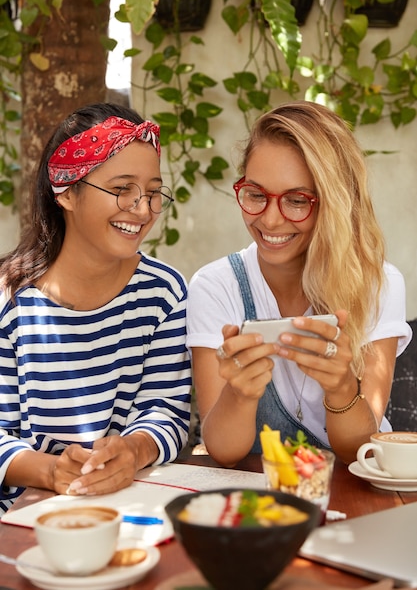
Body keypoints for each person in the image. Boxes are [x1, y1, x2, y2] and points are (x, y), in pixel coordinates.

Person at [186, 101, 411, 467]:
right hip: (260, 504)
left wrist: (340, 389)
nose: (271, 220)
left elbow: (360, 451)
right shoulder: (216, 286)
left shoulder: (377, 283)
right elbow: (223, 451)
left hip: (352, 492)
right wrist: (240, 395)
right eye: (256, 195)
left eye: (296, 200)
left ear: (335, 204)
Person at [0, 103, 192, 515]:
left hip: (129, 510)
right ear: (67, 191)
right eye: (122, 189)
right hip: (20, 522)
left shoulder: (164, 293)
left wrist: (134, 450)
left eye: (153, 193)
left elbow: (166, 411)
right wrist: (51, 472)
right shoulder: (9, 302)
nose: (141, 210)